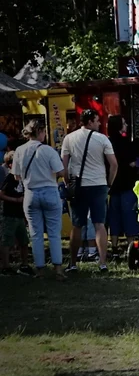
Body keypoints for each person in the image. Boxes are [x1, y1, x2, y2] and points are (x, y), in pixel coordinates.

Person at [61, 109, 117, 273]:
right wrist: (109, 184)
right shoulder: (102, 139)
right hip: (99, 184)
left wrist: (67, 183)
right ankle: (102, 262)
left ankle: (72, 263)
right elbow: (113, 164)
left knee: (77, 225)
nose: (100, 123)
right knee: (99, 224)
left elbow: (63, 165)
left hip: (78, 185)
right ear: (90, 121)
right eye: (97, 120)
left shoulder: (69, 138)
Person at [13, 120, 67, 280]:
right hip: (49, 191)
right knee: (54, 233)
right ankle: (58, 269)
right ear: (41, 131)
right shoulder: (48, 151)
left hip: (30, 193)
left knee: (35, 234)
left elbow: (16, 176)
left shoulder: (19, 150)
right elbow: (61, 172)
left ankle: (40, 270)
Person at [105, 115, 139, 254]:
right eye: (124, 123)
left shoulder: (107, 142)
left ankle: (114, 244)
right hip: (126, 183)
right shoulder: (125, 143)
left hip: (112, 184)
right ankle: (131, 244)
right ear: (119, 126)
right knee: (129, 214)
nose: (126, 125)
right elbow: (132, 163)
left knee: (114, 215)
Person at [0, 157, 32, 275]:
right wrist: (15, 200)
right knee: (6, 241)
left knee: (24, 241)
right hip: (9, 214)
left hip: (20, 214)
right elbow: (1, 194)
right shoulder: (10, 178)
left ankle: (24, 264)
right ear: (9, 165)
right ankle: (5, 267)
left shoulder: (23, 178)